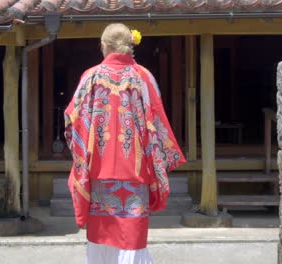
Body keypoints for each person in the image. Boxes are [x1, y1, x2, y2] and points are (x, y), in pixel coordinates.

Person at [64, 23, 186, 264]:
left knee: (101, 242)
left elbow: (72, 122)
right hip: (135, 174)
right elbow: (157, 121)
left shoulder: (90, 77)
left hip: (99, 173)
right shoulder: (144, 77)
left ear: (103, 46)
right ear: (130, 45)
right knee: (132, 241)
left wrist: (83, 160)